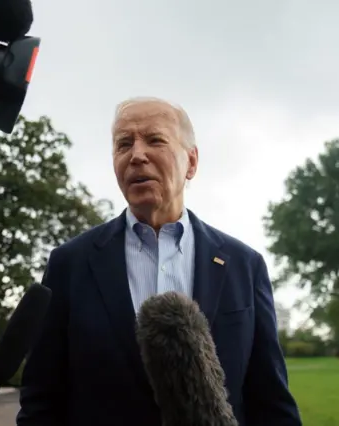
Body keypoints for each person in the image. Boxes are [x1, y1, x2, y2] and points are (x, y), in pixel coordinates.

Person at [16, 97, 302, 425]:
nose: (137, 155)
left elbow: (271, 400)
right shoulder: (69, 264)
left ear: (191, 162)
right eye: (124, 144)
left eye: (155, 140)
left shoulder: (244, 265)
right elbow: (41, 400)